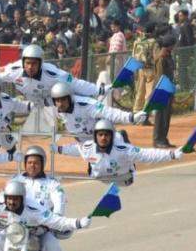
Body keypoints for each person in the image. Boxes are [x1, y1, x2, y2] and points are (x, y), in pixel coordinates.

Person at [53, 120, 185, 186]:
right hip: (100, 176)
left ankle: (121, 135)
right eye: (100, 135)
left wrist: (172, 154)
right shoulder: (88, 147)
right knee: (87, 155)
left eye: (106, 135)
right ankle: (119, 134)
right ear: (95, 137)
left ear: (110, 137)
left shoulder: (124, 150)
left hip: (123, 178)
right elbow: (75, 149)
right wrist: (58, 149)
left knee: (122, 141)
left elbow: (147, 154)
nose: (103, 138)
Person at [0, 44, 106, 107]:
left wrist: (99, 90)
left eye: (34, 64)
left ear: (41, 63)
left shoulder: (53, 73)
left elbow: (77, 84)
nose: (30, 67)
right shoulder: (14, 69)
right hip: (32, 105)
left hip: (55, 103)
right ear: (23, 62)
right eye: (28, 63)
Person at [51, 82, 147, 142]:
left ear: (70, 98)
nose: (60, 104)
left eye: (63, 100)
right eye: (57, 100)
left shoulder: (86, 105)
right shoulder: (57, 110)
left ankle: (120, 137)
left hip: (105, 139)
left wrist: (131, 117)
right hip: (87, 145)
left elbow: (109, 113)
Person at [153, 34, 177, 148]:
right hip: (162, 89)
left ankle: (164, 138)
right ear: (169, 46)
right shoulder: (162, 58)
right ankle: (158, 139)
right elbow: (160, 76)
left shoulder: (168, 56)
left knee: (166, 116)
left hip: (168, 89)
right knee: (160, 116)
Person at [131, 23, 159, 117]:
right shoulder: (153, 42)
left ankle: (136, 111)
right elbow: (156, 57)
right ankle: (145, 114)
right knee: (149, 92)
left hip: (139, 68)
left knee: (139, 91)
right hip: (150, 69)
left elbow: (133, 55)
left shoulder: (137, 41)